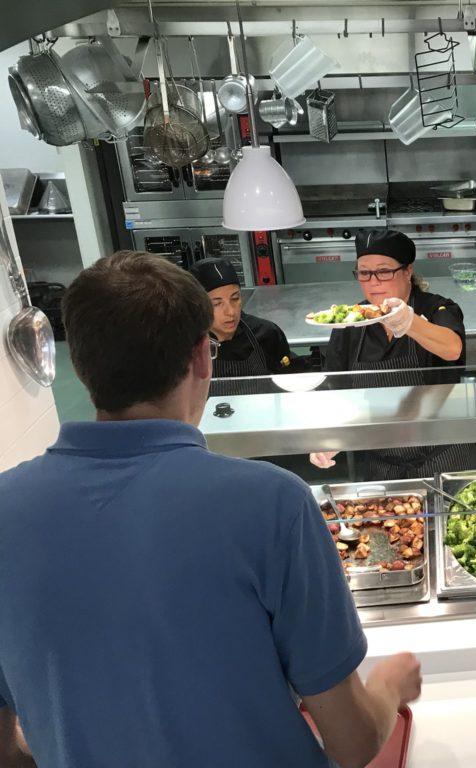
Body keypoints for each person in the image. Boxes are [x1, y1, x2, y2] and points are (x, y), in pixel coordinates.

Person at [0, 251, 422, 768]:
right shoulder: (274, 503)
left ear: (80, 365)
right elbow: (352, 743)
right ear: (203, 355)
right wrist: (389, 684)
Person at [310, 228, 476, 480]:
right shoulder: (351, 323)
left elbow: (452, 348)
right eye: (364, 272)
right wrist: (328, 437)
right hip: (382, 467)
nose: (374, 281)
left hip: (445, 459)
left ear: (408, 271)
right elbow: (336, 392)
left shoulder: (437, 308)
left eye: (384, 271)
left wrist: (409, 322)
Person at [189, 256, 305, 394]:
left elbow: (290, 381)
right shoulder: (185, 347)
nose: (230, 311)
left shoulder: (266, 333)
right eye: (217, 304)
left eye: (235, 298)